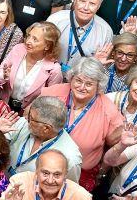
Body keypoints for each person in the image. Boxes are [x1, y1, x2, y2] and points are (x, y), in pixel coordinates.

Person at [40, 57, 124, 190]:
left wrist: (101, 172)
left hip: (80, 174)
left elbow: (113, 142)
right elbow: (31, 116)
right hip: (43, 165)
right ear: (71, 78)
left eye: (89, 84)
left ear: (98, 86)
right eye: (78, 80)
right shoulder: (52, 93)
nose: (82, 87)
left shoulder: (108, 110)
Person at [3, 95, 83, 181]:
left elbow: (67, 190)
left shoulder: (70, 158)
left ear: (46, 128)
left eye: (31, 118)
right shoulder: (23, 123)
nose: (26, 118)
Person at [0, 21, 63, 112]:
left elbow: (51, 100)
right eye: (28, 36)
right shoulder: (18, 49)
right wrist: (3, 75)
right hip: (2, 107)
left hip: (29, 116)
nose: (28, 41)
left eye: (35, 39)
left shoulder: (54, 70)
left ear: (47, 46)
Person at [46, 0, 113, 68]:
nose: (86, 7)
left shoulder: (105, 32)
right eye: (82, 1)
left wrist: (95, 64)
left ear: (99, 5)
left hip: (82, 79)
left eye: (92, 3)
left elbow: (101, 67)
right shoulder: (55, 20)